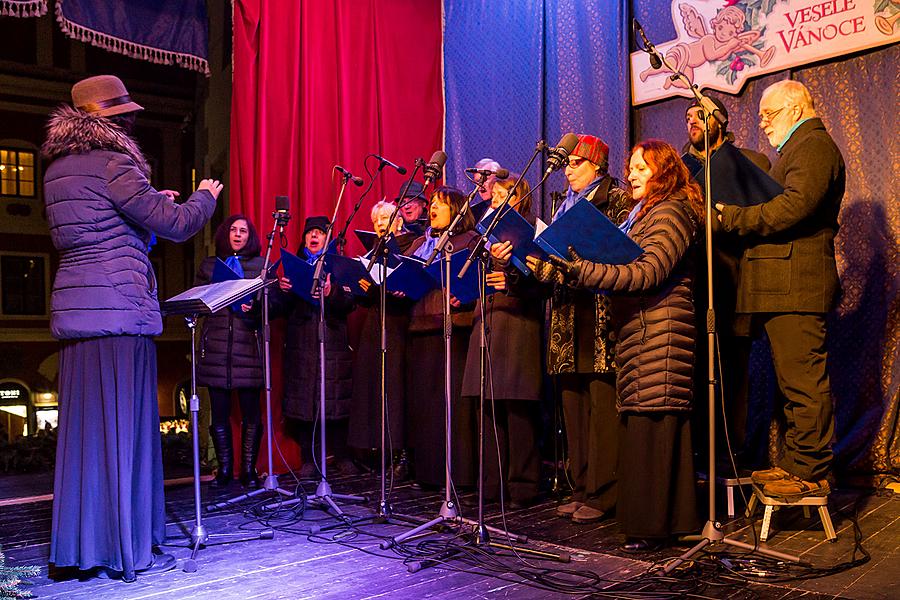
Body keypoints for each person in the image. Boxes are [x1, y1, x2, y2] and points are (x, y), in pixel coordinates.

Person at [43, 75, 219, 581]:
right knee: (126, 428)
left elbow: (97, 226)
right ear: (110, 120)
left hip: (77, 309)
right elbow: (179, 225)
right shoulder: (115, 162)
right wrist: (203, 197)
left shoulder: (57, 168)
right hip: (119, 311)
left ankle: (83, 546)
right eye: (125, 117)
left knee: (86, 436)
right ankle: (126, 545)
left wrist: (145, 208)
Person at [528, 139, 703, 552]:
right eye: (632, 168)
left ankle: (654, 526)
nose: (632, 174)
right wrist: (570, 269)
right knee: (648, 428)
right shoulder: (648, 213)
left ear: (664, 171)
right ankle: (662, 522)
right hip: (642, 330)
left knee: (654, 429)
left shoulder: (671, 210)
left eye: (642, 168)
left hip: (661, 331)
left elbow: (648, 272)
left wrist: (583, 268)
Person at [715, 79, 844, 499]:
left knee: (804, 383)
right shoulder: (797, 148)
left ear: (795, 107)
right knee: (793, 384)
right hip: (784, 285)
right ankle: (797, 463)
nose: (763, 123)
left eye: (769, 114)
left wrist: (735, 217)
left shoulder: (814, 146)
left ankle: (811, 470)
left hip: (798, 284)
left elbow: (794, 207)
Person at [682, 96, 771, 472]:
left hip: (734, 285)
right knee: (693, 370)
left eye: (700, 114)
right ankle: (695, 456)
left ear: (720, 119)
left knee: (732, 372)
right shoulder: (679, 169)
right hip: (689, 289)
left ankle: (730, 455)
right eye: (687, 117)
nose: (692, 121)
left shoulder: (748, 164)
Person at [545, 134, 630, 524]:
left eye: (576, 163)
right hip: (566, 313)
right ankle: (579, 485)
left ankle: (604, 491)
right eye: (567, 163)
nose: (569, 169)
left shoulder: (616, 197)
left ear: (596, 166)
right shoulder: (560, 205)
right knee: (574, 406)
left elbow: (622, 248)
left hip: (599, 311)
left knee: (601, 405)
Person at [461, 176, 543, 508]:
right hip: (487, 321)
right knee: (487, 405)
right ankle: (491, 485)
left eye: (501, 194)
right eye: (492, 195)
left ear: (519, 199)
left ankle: (522, 486)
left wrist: (510, 272)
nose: (493, 199)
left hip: (519, 324)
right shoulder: (481, 237)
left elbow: (541, 285)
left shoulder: (533, 234)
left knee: (516, 408)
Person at [404, 187, 479, 489]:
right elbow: (402, 270)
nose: (433, 208)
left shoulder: (470, 241)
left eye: (441, 204)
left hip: (455, 329)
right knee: (426, 405)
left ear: (458, 210)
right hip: (421, 329)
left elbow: (479, 282)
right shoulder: (421, 243)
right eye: (432, 203)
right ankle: (428, 473)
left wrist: (467, 297)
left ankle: (458, 476)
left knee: (454, 408)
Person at [277, 216, 356, 477]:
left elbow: (349, 304)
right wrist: (284, 290)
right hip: (301, 343)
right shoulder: (295, 266)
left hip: (332, 341)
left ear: (328, 238)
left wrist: (331, 293)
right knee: (305, 402)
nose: (313, 236)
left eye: (319, 232)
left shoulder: (340, 266)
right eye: (309, 232)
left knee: (334, 399)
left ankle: (341, 454)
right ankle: (309, 458)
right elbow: (280, 309)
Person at [195, 214, 265, 489]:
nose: (238, 235)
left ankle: (248, 470)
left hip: (248, 347)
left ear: (250, 236)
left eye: (243, 231)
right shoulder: (210, 266)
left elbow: (273, 306)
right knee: (219, 412)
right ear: (225, 234)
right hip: (216, 349)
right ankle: (224, 469)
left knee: (251, 412)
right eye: (233, 230)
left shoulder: (260, 265)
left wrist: (255, 308)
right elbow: (197, 301)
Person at [347, 201, 415, 475]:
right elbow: (363, 297)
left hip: (399, 323)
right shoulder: (372, 251)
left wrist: (400, 288)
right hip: (375, 322)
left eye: (386, 218)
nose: (380, 223)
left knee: (397, 387)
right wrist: (360, 284)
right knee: (374, 385)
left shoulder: (411, 244)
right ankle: (376, 448)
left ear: (398, 221)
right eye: (376, 220)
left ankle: (400, 451)